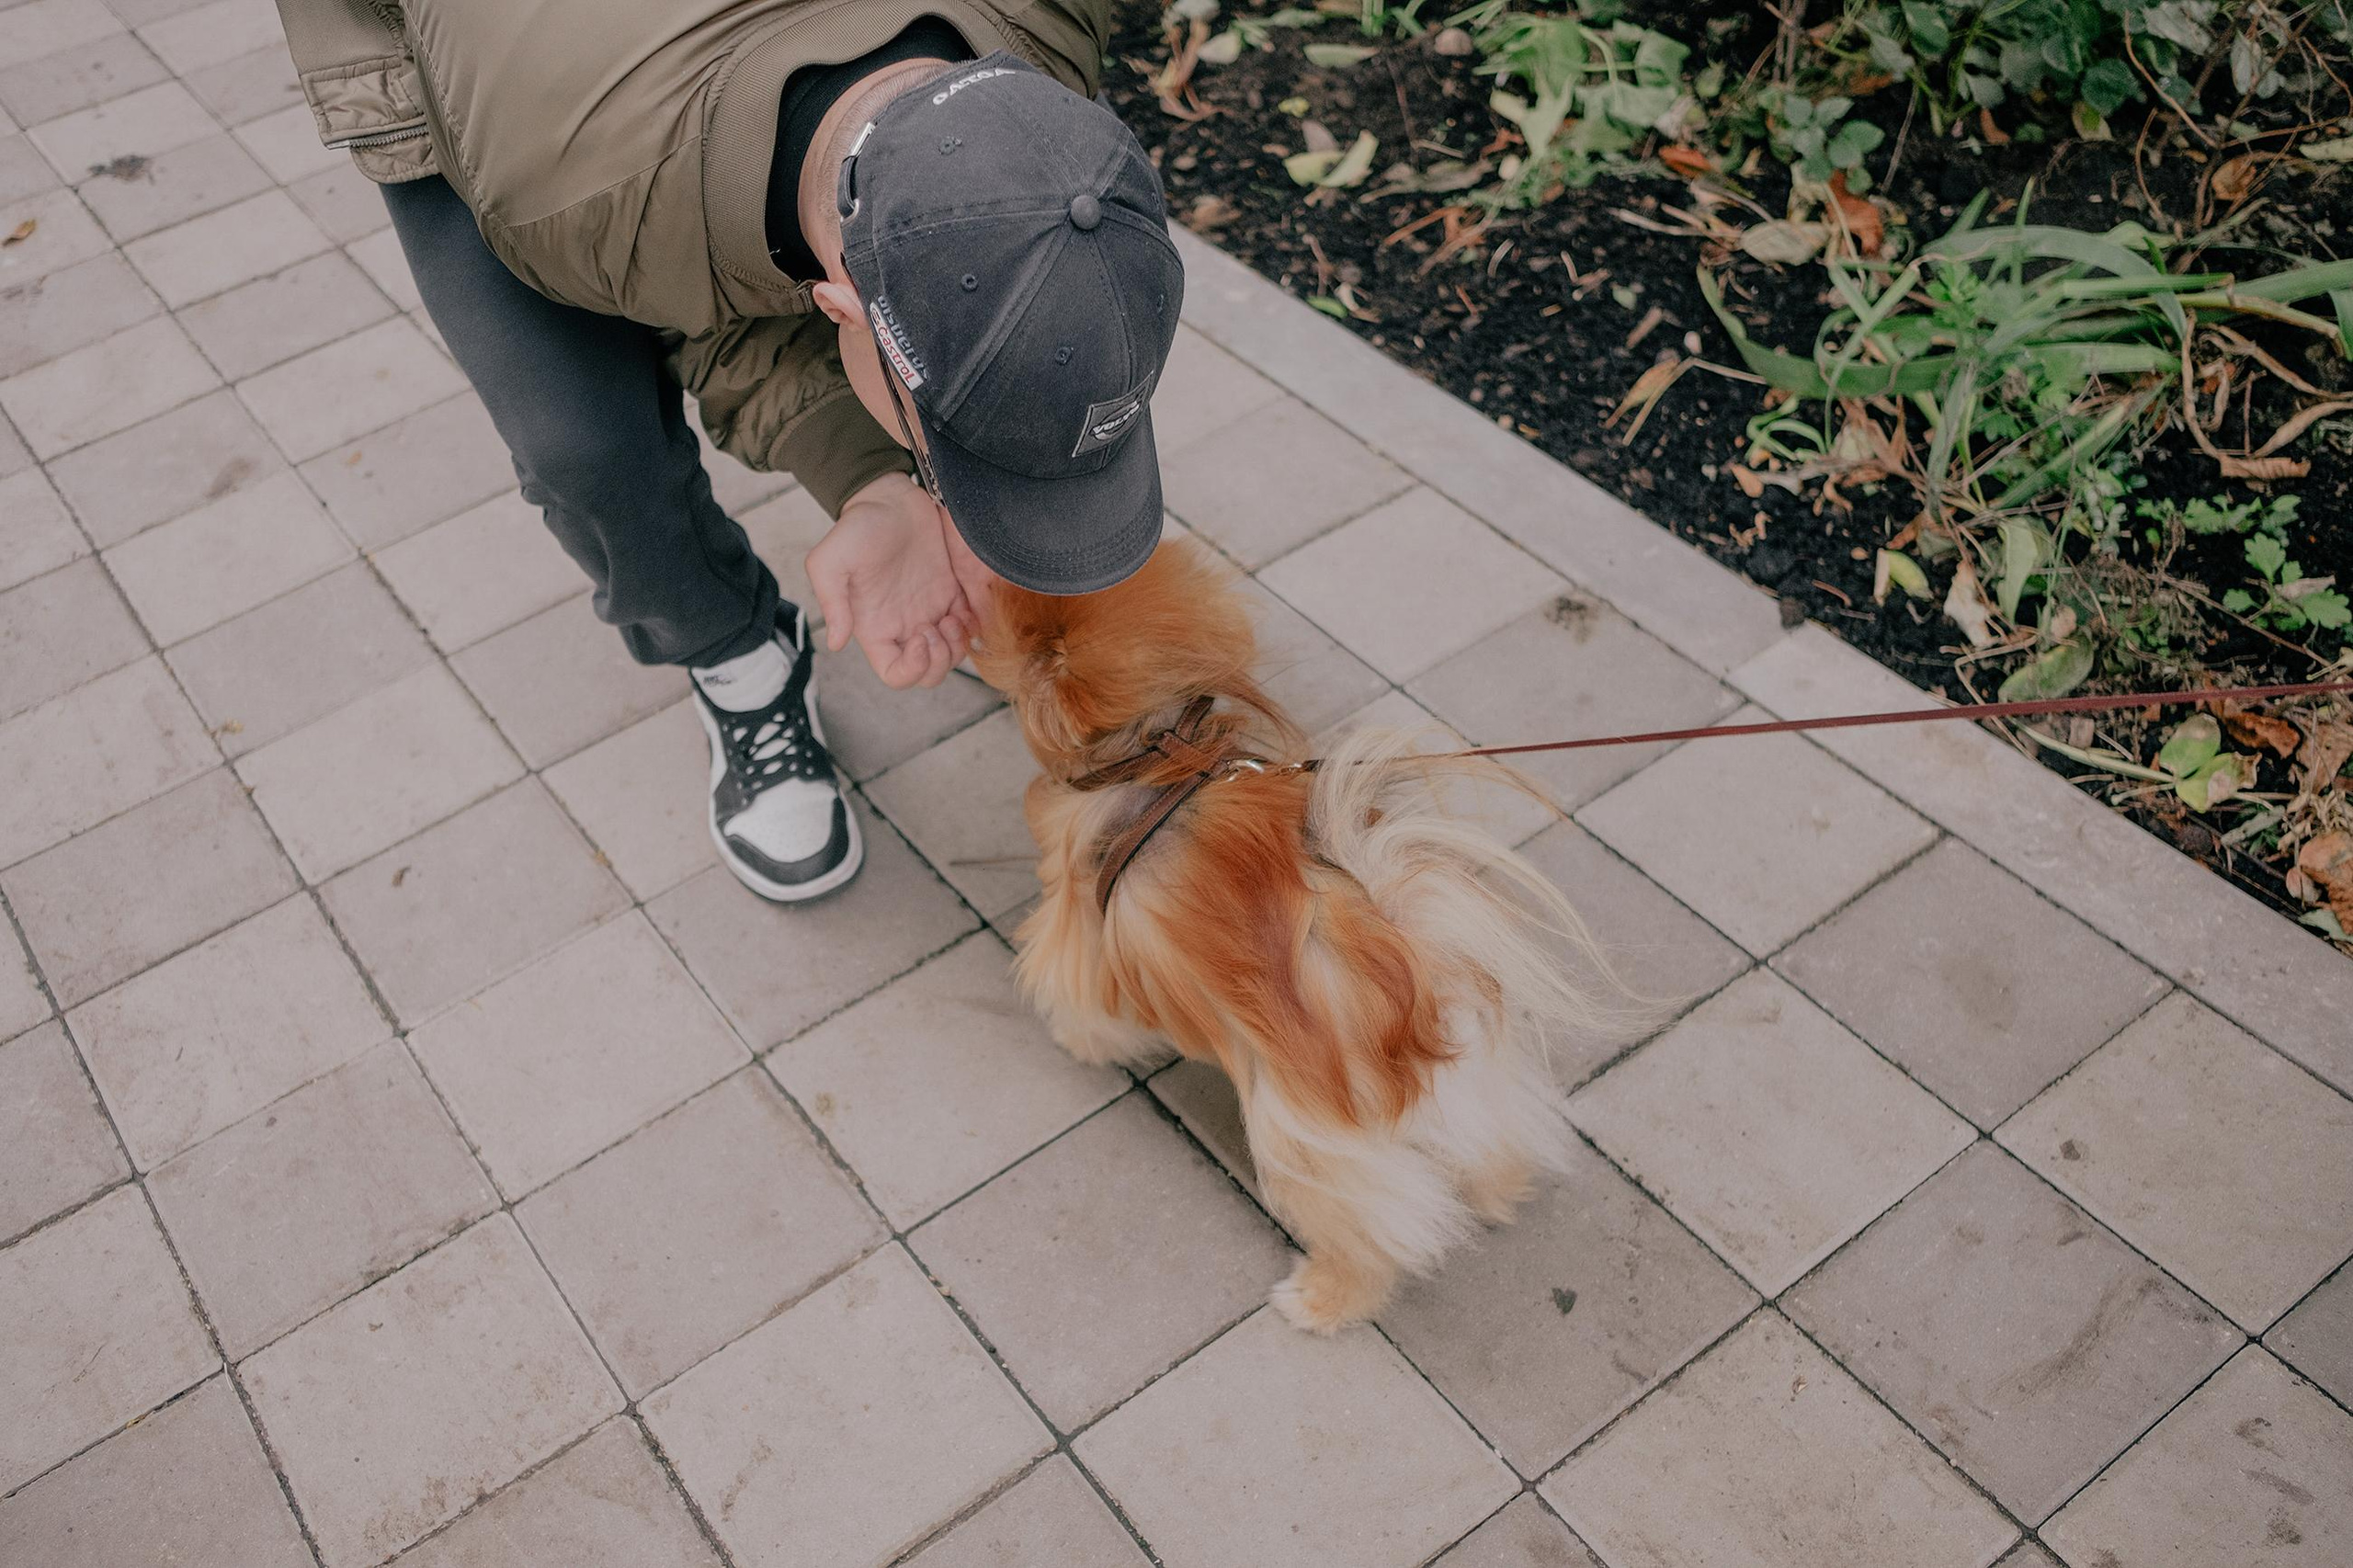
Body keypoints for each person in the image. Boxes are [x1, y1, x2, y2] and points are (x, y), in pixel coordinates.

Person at [270, 1, 1182, 901]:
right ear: (835, 308)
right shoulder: (575, 198)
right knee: (581, 449)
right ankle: (732, 649)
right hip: (501, 85)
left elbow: (742, 250)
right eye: (951, 446)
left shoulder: (1055, 23)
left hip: (633, 116)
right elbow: (689, 291)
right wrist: (870, 466)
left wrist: (872, 484)